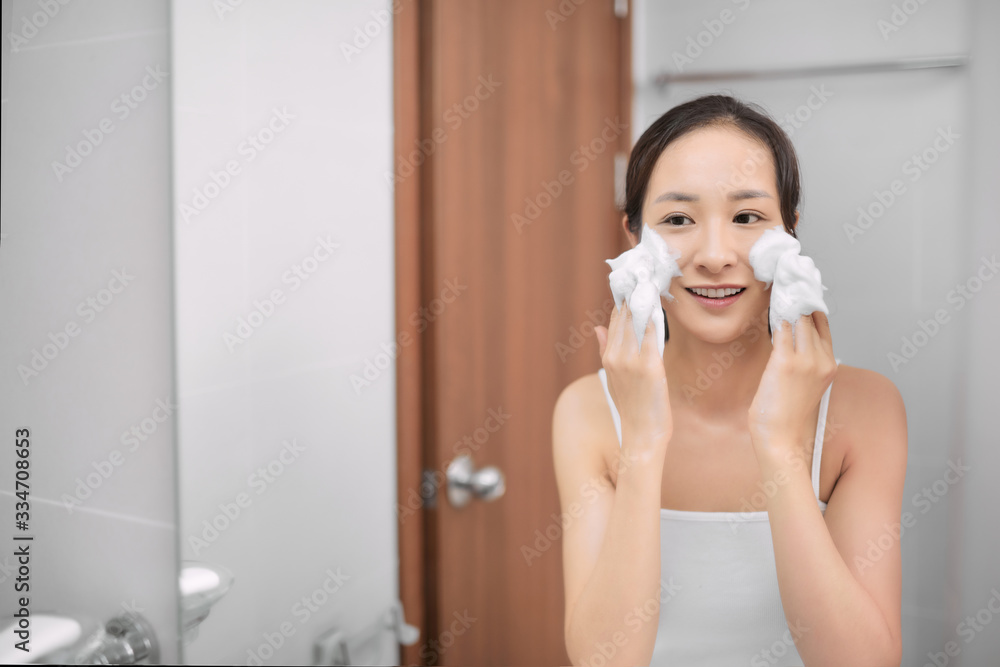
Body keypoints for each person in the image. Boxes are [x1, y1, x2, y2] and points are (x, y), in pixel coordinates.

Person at [553, 94, 906, 666]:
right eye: (677, 220)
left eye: (747, 218)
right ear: (635, 240)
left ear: (789, 233)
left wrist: (779, 447)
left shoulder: (866, 410)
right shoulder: (589, 412)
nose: (715, 255)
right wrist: (641, 444)